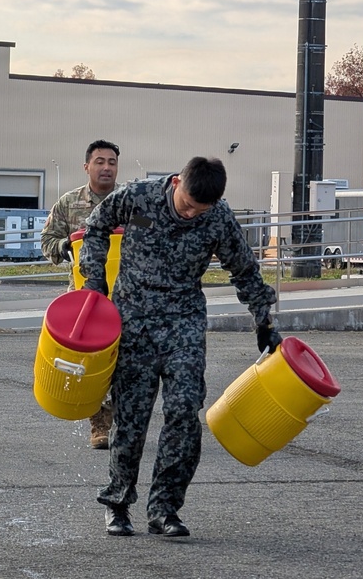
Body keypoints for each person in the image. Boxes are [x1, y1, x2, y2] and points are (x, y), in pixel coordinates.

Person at [79, 156, 281, 538]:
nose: (189, 214)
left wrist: (264, 321)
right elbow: (96, 226)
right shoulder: (137, 199)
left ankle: (165, 509)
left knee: (185, 413)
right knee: (131, 419)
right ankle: (118, 503)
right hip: (133, 322)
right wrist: (93, 279)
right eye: (186, 204)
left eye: (198, 210)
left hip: (183, 324)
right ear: (176, 183)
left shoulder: (217, 218)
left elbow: (245, 269)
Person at [40, 139, 120, 449]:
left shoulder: (132, 202)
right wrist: (63, 248)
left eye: (112, 162)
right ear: (87, 166)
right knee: (91, 362)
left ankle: (124, 422)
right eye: (99, 161)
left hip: (128, 296)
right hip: (85, 299)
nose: (106, 167)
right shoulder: (69, 203)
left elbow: (150, 232)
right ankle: (99, 424)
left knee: (128, 363)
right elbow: (48, 240)